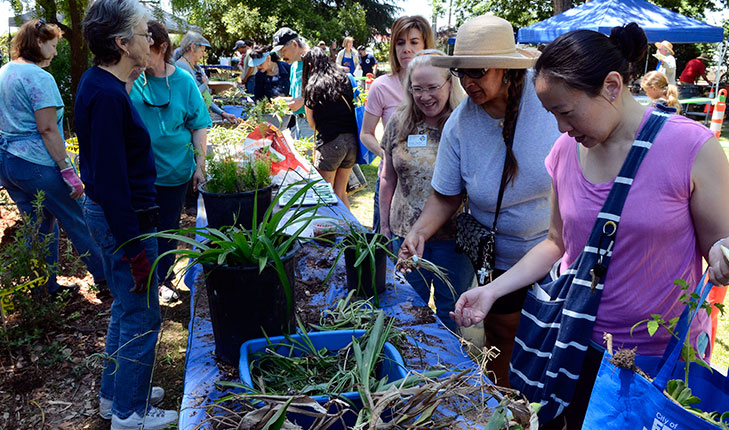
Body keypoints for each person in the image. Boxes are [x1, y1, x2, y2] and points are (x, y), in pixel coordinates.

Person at [451, 22, 729, 429]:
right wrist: (492, 291)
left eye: (566, 112)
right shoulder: (566, 150)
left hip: (660, 360)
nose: (561, 128)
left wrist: (723, 252)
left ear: (613, 86)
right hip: (578, 349)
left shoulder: (691, 147)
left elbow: (718, 245)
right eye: (552, 115)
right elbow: (555, 243)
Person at [399, 15, 560, 386]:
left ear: (507, 69)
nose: (468, 82)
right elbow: (445, 195)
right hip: (499, 259)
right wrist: (419, 232)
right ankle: (502, 406)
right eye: (461, 73)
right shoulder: (461, 124)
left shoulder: (548, 104)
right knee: (501, 338)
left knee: (547, 343)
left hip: (556, 254)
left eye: (478, 71)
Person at [75, 0, 178, 428]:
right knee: (141, 311)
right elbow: (112, 181)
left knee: (125, 306)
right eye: (141, 33)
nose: (150, 39)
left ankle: (116, 394)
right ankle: (131, 414)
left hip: (121, 217)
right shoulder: (106, 97)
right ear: (120, 43)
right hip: (127, 221)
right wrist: (134, 248)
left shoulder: (103, 85)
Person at [0, 19, 107, 298]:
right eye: (53, 45)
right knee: (80, 217)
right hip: (39, 163)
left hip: (9, 163)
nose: (56, 52)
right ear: (38, 43)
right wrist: (67, 170)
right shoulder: (38, 77)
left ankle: (42, 288)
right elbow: (47, 128)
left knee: (39, 225)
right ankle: (109, 279)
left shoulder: (3, 72)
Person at [380, 50, 470, 332]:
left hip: (454, 239)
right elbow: (387, 177)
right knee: (407, 305)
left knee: (450, 308)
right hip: (406, 235)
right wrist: (383, 226)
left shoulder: (465, 122)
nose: (425, 96)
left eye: (433, 88)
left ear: (449, 84)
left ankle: (448, 369)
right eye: (417, 89)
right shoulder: (399, 122)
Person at [129, 21, 211, 304]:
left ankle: (162, 279)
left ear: (162, 48)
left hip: (175, 173)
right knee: (139, 230)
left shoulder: (184, 82)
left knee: (167, 228)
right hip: (138, 175)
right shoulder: (130, 79)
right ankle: (139, 278)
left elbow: (199, 125)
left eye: (146, 50)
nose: (138, 56)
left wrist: (199, 167)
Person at [361, 15, 435, 231]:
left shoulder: (442, 84)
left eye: (414, 42)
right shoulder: (381, 86)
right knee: (385, 246)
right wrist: (386, 154)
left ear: (426, 45)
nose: (406, 49)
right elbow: (366, 133)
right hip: (391, 182)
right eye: (400, 43)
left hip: (431, 186)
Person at [302, 47, 358, 207]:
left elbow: (312, 123)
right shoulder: (344, 79)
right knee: (341, 194)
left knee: (324, 196)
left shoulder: (312, 86)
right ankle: (349, 231)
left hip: (330, 144)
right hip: (351, 142)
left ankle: (331, 232)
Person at [175, 31, 237, 123]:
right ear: (192, 47)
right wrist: (204, 84)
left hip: (200, 118)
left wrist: (223, 113)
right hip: (190, 122)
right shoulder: (181, 67)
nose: (203, 54)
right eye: (202, 51)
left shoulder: (195, 67)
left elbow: (204, 96)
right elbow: (191, 96)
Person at [271, 27, 313, 139]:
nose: (281, 56)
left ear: (294, 44)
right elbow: (296, 97)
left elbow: (325, 93)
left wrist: (304, 100)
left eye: (283, 51)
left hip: (312, 122)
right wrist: (282, 101)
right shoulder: (293, 65)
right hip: (298, 121)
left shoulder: (313, 60)